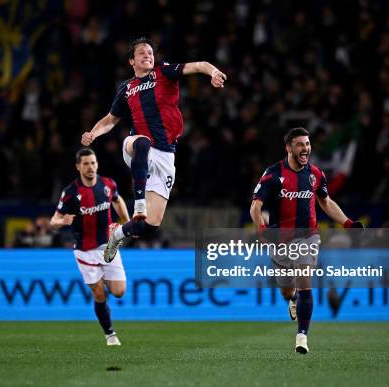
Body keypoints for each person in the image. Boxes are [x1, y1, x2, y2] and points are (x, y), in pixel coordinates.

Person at [81, 37, 226, 262]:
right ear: (131, 61)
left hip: (165, 155)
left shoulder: (164, 72)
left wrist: (214, 73)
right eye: (142, 53)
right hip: (136, 146)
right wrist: (93, 133)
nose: (148, 55)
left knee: (150, 223)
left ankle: (117, 234)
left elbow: (199, 65)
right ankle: (138, 201)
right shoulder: (127, 88)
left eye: (150, 52)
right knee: (142, 143)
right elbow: (111, 119)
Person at [250, 127, 363, 354]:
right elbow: (256, 206)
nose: (306, 149)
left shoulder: (316, 174)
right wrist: (262, 229)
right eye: (301, 144)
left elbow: (326, 202)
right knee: (287, 292)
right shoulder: (273, 175)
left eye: (308, 144)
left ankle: (302, 336)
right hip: (279, 240)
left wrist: (348, 223)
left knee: (304, 279)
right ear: (289, 147)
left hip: (307, 236)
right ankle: (292, 300)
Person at [50, 148, 130, 346]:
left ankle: (105, 270)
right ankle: (110, 334)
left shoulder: (108, 184)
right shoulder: (70, 193)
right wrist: (62, 221)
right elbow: (54, 219)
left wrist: (127, 221)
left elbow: (117, 200)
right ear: (78, 167)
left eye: (93, 163)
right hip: (85, 250)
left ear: (97, 164)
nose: (90, 167)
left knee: (119, 292)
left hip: (108, 245)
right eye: (85, 163)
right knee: (99, 294)